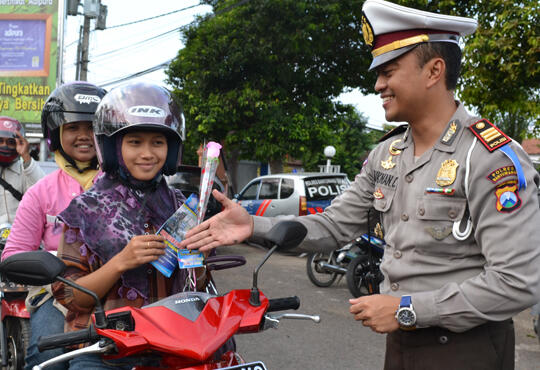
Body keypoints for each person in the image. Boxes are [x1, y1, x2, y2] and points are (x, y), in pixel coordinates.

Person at [179, 0, 540, 369]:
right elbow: (335, 224)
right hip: (401, 345)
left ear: (434, 70)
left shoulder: (489, 158)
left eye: (390, 70)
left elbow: (517, 282)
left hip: (468, 350)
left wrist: (406, 310)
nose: (378, 84)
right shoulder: (388, 153)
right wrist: (254, 225)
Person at [50, 82, 212, 369]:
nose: (148, 153)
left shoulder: (182, 207)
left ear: (172, 148)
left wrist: (199, 255)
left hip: (173, 343)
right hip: (104, 348)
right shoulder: (85, 211)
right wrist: (120, 262)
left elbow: (195, 289)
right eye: (135, 142)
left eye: (158, 142)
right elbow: (69, 297)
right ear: (113, 147)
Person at [1, 81, 106, 370]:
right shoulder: (41, 192)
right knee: (48, 356)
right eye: (73, 128)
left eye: (91, 127)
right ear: (56, 134)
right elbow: (14, 254)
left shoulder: (126, 184)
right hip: (57, 292)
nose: (84, 136)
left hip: (120, 289)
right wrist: (49, 267)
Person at [0, 116, 44, 225]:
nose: (4, 146)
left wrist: (26, 156)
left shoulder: (27, 169)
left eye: (11, 142)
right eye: (0, 141)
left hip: (21, 237)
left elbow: (44, 193)